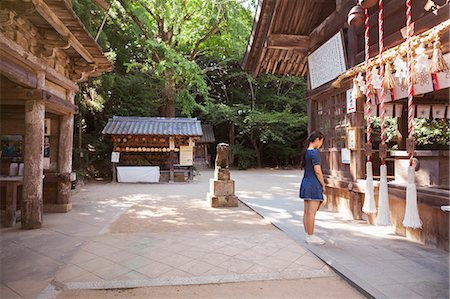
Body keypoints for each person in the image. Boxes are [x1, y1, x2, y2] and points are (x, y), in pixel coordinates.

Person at [299, 131, 326, 245]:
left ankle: (308, 235)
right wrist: (323, 184)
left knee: (306, 212)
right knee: (311, 213)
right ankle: (311, 236)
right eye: (321, 141)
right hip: (313, 184)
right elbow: (318, 171)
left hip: (305, 182)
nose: (321, 144)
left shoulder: (306, 152)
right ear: (317, 140)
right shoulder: (314, 153)